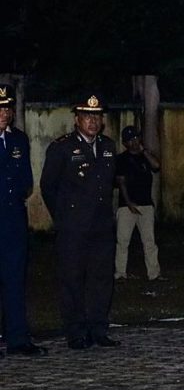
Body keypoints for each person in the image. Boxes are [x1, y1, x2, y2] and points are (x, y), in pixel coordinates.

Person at [40, 95, 120, 349]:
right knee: (72, 278)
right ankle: (76, 332)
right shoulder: (62, 148)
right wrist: (64, 217)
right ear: (77, 119)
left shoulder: (108, 146)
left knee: (101, 278)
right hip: (73, 227)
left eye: (97, 116)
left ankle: (98, 329)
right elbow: (48, 187)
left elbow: (108, 186)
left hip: (102, 227)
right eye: (87, 116)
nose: (93, 121)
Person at [0, 85, 46, 357]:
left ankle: (18, 337)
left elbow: (26, 180)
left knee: (15, 278)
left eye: (7, 108)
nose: (4, 113)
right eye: (0, 109)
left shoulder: (18, 139)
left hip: (13, 218)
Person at [114, 126, 162, 281]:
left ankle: (154, 273)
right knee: (122, 241)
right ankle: (120, 273)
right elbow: (121, 182)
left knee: (149, 241)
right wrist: (128, 203)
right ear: (125, 143)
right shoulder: (121, 159)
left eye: (136, 138)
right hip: (127, 207)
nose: (134, 142)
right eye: (130, 140)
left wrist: (145, 152)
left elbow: (156, 166)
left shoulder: (145, 157)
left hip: (146, 204)